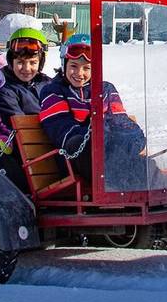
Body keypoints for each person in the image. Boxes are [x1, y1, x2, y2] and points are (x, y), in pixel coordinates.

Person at [38, 37, 150, 190]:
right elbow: (61, 128)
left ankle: (160, 191)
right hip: (75, 158)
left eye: (86, 68)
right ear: (64, 65)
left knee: (144, 163)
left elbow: (120, 120)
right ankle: (120, 192)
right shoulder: (54, 91)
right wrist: (95, 135)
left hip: (110, 154)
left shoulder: (106, 90)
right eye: (74, 66)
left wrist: (123, 135)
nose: (79, 73)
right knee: (94, 148)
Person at [0, 27, 49, 124]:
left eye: (33, 63)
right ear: (11, 62)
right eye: (20, 62)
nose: (27, 68)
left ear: (40, 63)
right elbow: (20, 124)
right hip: (26, 137)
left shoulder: (48, 84)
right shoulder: (5, 90)